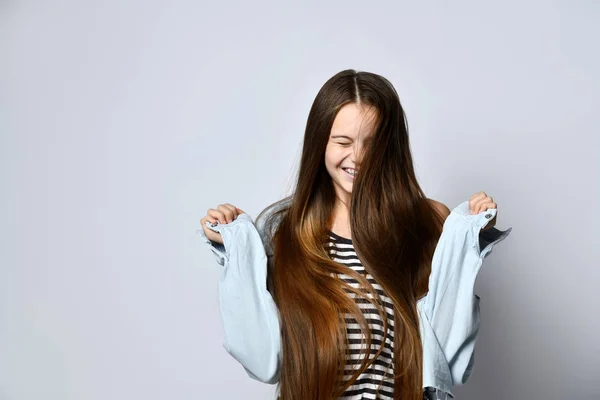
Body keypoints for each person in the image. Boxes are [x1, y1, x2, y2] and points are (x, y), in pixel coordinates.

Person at [198, 69, 511, 400]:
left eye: (371, 143)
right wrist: (232, 247)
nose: (357, 157)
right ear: (320, 143)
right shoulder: (283, 229)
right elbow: (264, 357)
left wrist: (469, 236)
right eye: (342, 142)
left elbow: (448, 346)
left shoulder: (428, 220)